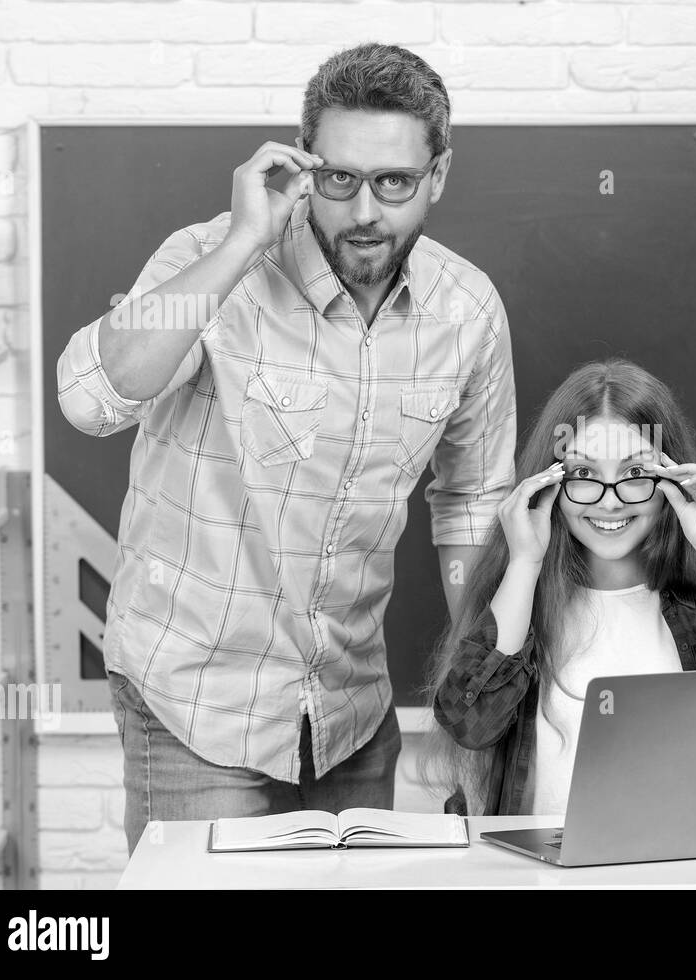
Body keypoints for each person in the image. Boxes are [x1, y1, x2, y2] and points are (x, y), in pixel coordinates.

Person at [55, 43, 516, 854]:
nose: (364, 212)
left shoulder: (468, 310)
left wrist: (479, 678)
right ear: (305, 167)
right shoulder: (209, 260)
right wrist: (239, 245)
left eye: (394, 183)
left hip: (349, 713)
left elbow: (472, 500)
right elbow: (91, 400)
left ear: (437, 175)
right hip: (195, 705)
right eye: (338, 179)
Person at [421, 359, 696, 816]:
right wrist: (524, 561)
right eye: (584, 475)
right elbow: (467, 723)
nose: (611, 498)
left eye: (635, 475)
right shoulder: (524, 604)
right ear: (551, 482)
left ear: (671, 479)